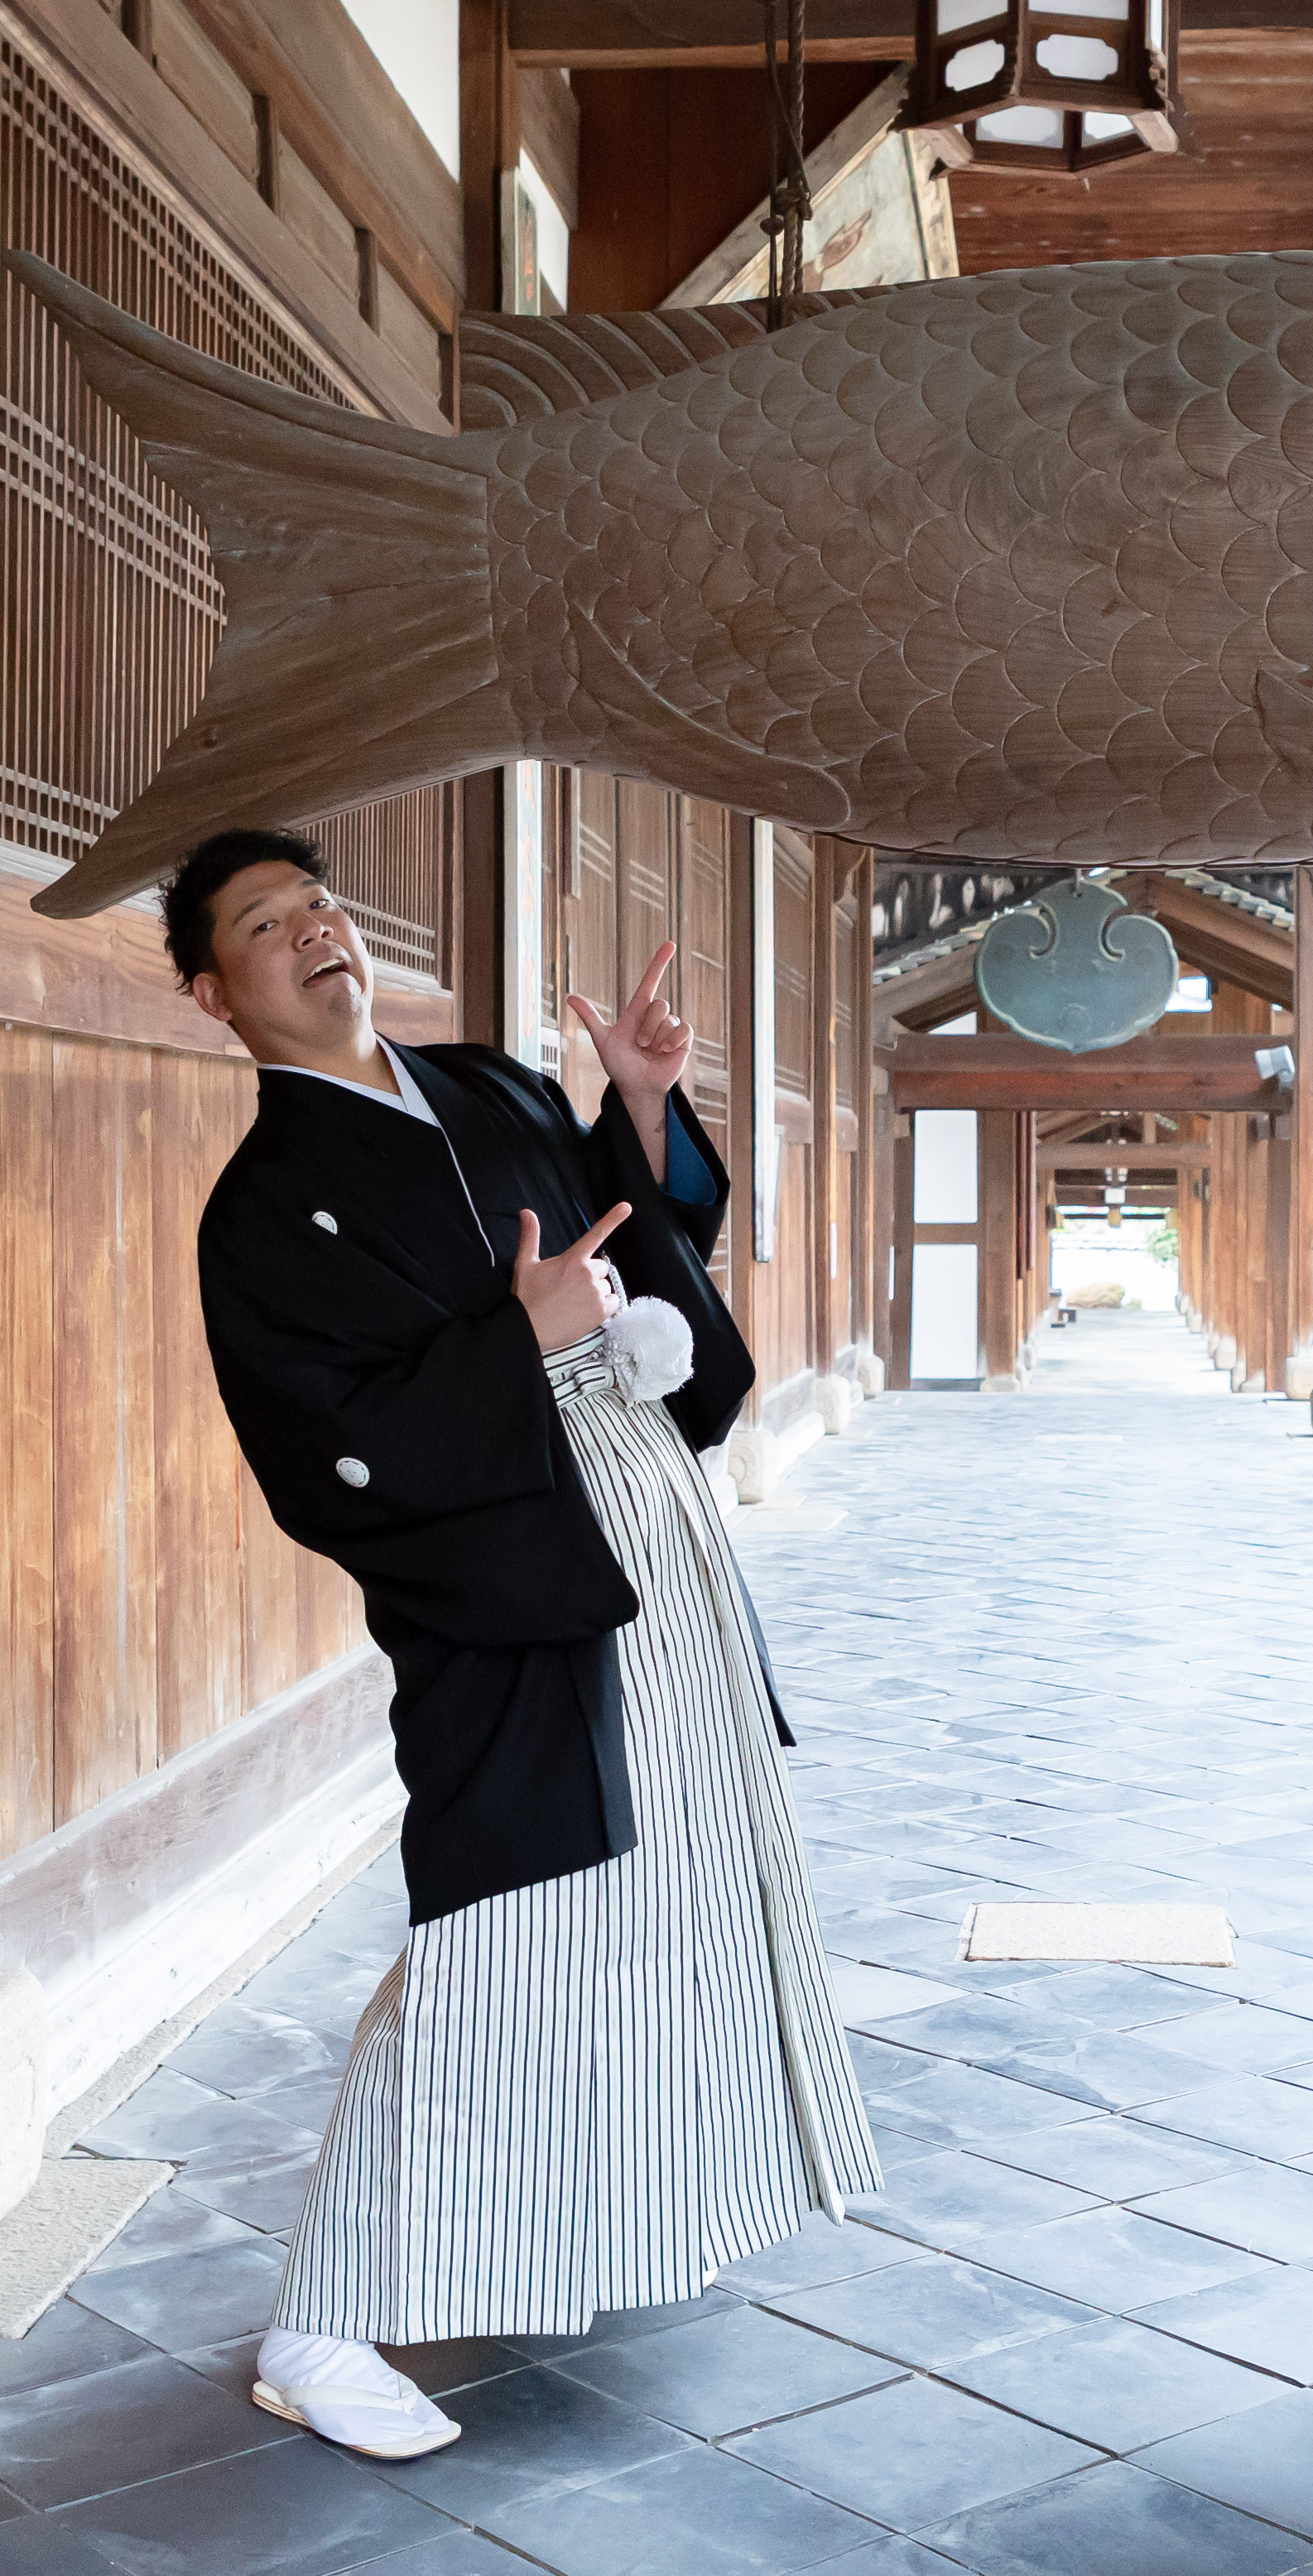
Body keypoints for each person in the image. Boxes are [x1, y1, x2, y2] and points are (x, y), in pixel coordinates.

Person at [167, 826, 878, 2458]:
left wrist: (638, 1107)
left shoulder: (486, 1085)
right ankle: (321, 2319)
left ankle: (618, 2210)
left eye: (319, 903)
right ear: (214, 994)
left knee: (669, 1880)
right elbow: (325, 1458)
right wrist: (521, 1343)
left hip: (650, 1535)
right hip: (502, 1580)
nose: (315, 931)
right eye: (266, 925)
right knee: (503, 1931)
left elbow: (635, 1235)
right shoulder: (262, 1213)